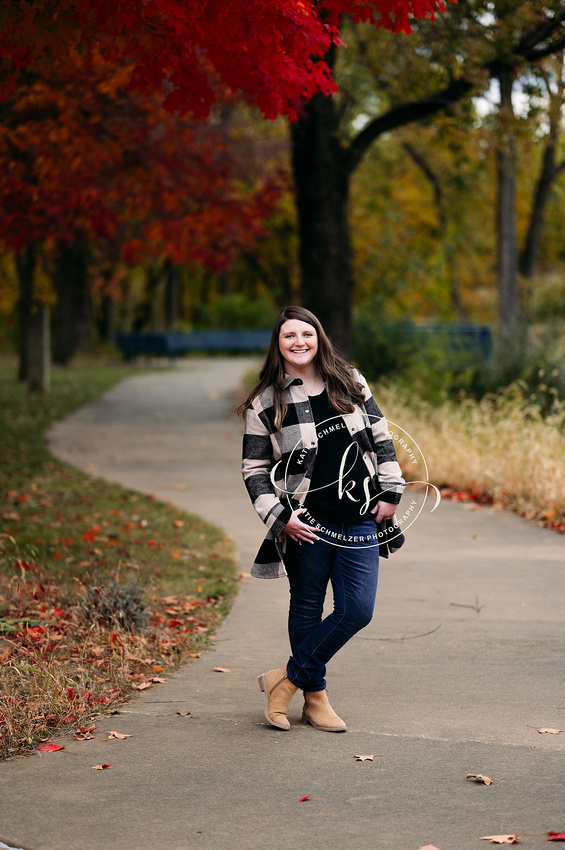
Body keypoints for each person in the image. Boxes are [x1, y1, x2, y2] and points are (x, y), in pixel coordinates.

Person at [239, 306, 405, 733]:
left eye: (306, 334)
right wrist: (279, 517)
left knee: (356, 610)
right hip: (305, 524)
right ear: (278, 344)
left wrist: (390, 490)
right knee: (308, 606)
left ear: (319, 338)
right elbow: (255, 470)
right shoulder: (264, 402)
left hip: (360, 516)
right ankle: (315, 699)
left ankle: (285, 678)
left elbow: (380, 435)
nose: (299, 342)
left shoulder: (349, 381)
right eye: (288, 335)